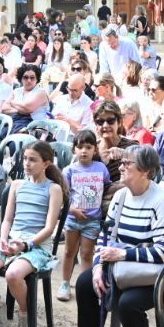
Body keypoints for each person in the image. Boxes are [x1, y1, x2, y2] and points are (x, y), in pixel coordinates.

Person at [60, 145, 164, 327]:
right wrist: (99, 267)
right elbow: (106, 236)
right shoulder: (121, 196)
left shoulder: (161, 200)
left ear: (145, 171)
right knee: (84, 283)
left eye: (128, 163)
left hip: (156, 277)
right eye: (121, 162)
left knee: (128, 303)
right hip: (120, 269)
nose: (121, 167)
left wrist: (123, 254)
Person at [0, 141, 64, 327]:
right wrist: (3, 238)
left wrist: (25, 245)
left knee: (13, 274)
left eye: (33, 160)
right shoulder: (16, 185)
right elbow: (7, 219)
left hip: (35, 245)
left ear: (46, 163)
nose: (26, 163)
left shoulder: (53, 189)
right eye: (25, 158)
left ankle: (25, 315)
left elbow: (49, 228)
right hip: (12, 242)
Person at [57, 129, 110, 302]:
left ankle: (86, 286)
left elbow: (106, 189)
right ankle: (65, 283)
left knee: (87, 254)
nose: (84, 151)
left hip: (92, 220)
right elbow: (63, 196)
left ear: (95, 149)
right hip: (73, 219)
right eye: (80, 147)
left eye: (88, 147)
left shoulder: (101, 168)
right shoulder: (69, 171)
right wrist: (73, 210)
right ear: (74, 149)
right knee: (69, 252)